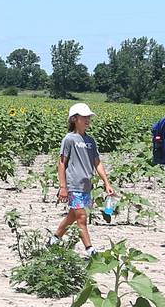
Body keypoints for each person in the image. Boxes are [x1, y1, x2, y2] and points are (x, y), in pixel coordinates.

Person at [48, 102, 115, 257]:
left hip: (86, 186)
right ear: (74, 119)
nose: (87, 120)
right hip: (73, 185)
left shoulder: (91, 141)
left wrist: (106, 183)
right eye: (84, 117)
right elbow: (61, 162)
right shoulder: (69, 139)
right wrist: (63, 187)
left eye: (88, 117)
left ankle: (54, 239)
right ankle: (90, 249)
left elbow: (97, 162)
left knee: (73, 215)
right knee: (82, 218)